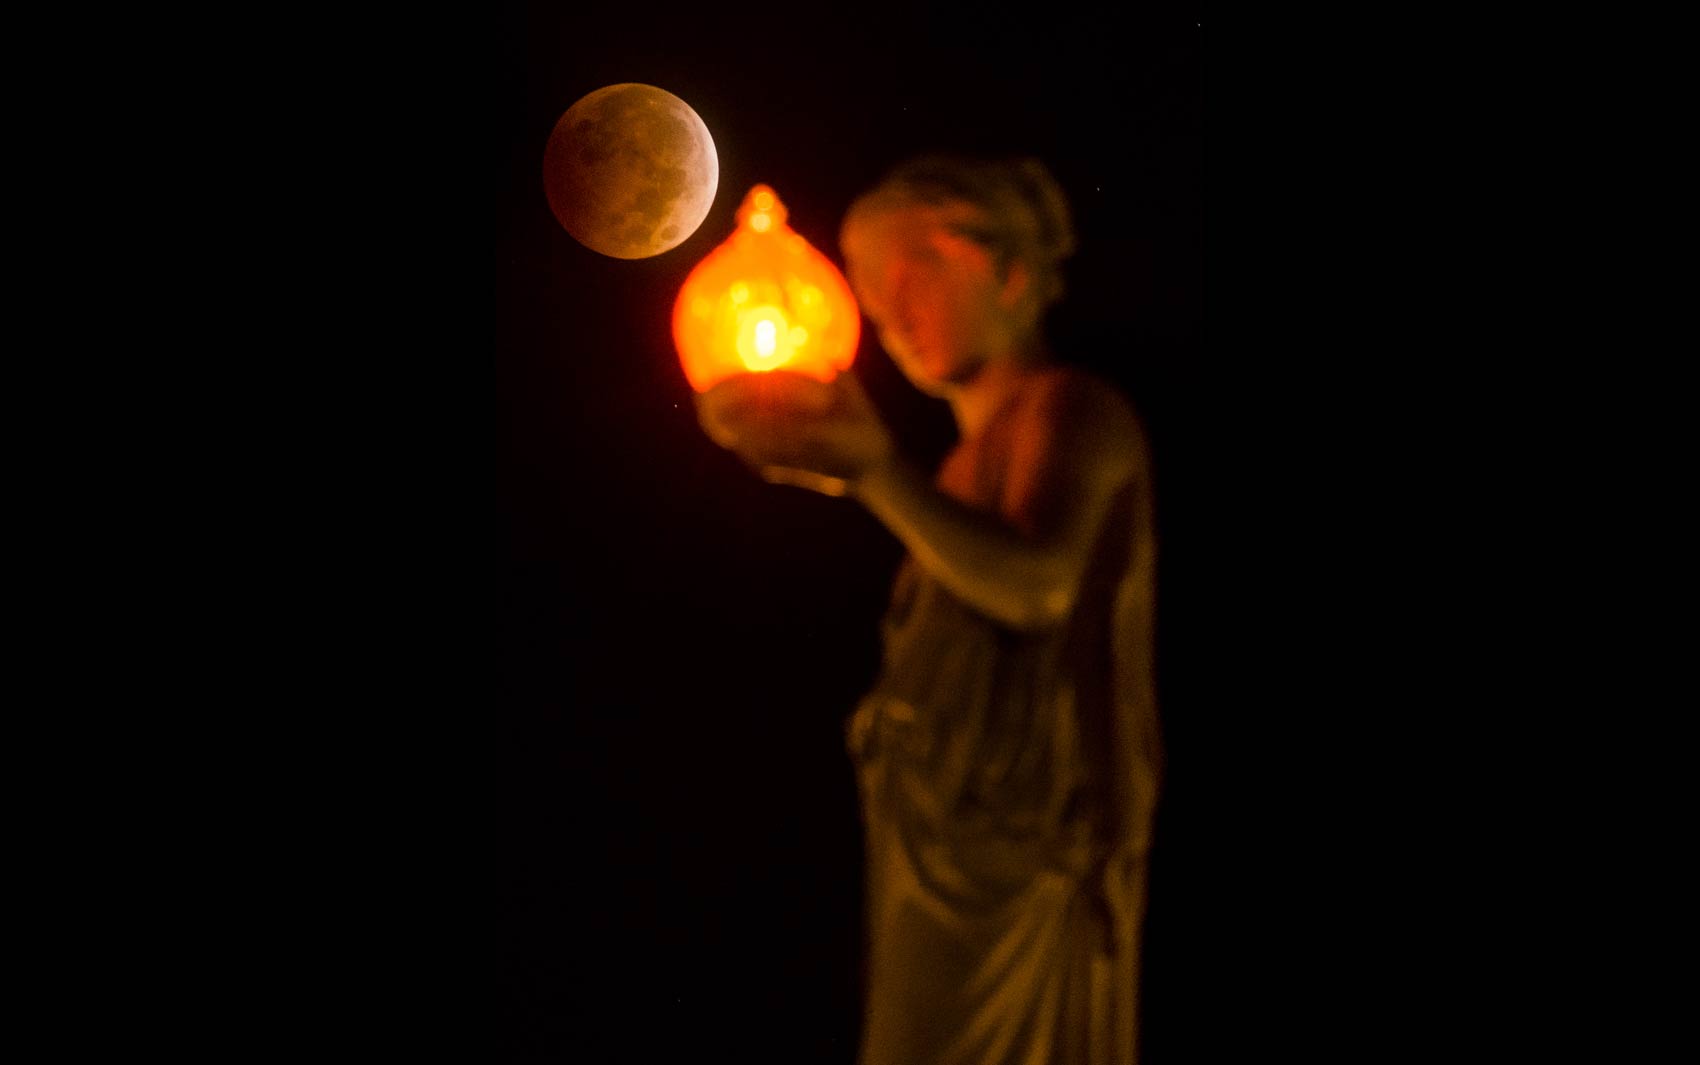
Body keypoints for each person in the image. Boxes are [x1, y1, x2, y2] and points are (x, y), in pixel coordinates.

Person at [696, 154, 1161, 1065]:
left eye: (919, 274)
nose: (893, 314)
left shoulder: (1073, 411)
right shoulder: (950, 474)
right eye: (871, 298)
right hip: (941, 840)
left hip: (1021, 854)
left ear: (1013, 272)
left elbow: (1039, 586)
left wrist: (872, 472)